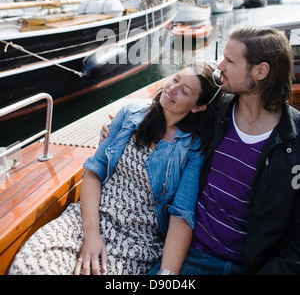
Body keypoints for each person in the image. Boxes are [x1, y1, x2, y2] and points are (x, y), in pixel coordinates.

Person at [9, 63, 223, 276]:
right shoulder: (130, 115)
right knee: (29, 265)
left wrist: (166, 274)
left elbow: (181, 214)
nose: (172, 88)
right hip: (89, 217)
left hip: (138, 241)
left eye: (185, 91)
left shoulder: (192, 148)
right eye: (176, 79)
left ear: (198, 106)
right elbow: (94, 171)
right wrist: (91, 234)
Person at [176, 26, 300, 275]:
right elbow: (170, 115)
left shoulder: (295, 142)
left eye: (230, 60)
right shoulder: (215, 111)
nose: (219, 65)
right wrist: (125, 124)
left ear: (260, 71)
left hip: (254, 268)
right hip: (193, 253)